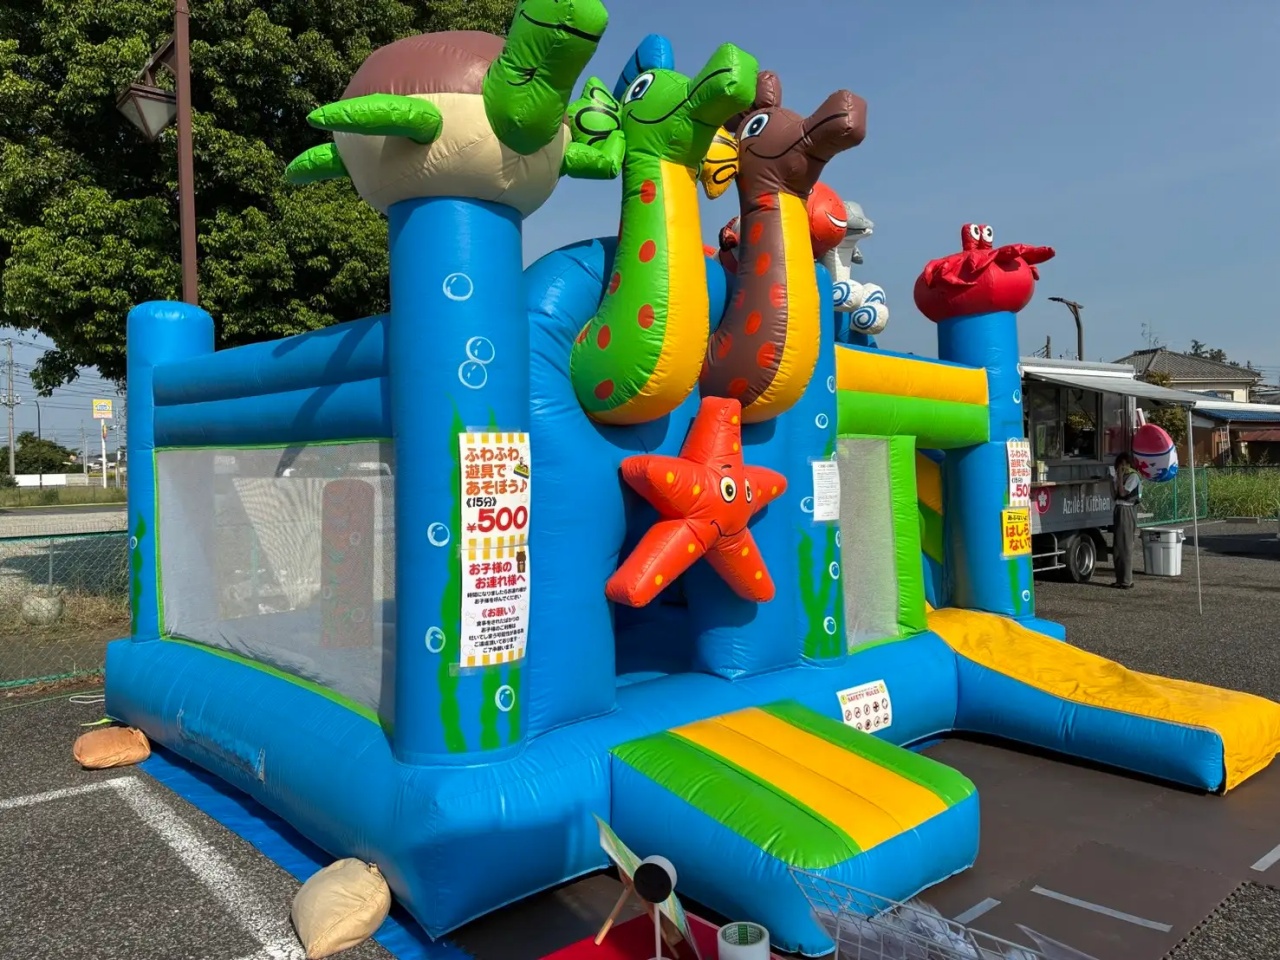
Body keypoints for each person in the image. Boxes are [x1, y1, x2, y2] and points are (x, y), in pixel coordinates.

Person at [1110, 452, 1142, 588]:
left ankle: (1127, 580)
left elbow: (1123, 493)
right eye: (1120, 464)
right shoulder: (1118, 477)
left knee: (1125, 545)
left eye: (1126, 464)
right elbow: (1114, 496)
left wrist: (1120, 478)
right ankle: (1120, 579)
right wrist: (1113, 481)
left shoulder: (1133, 476)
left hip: (1127, 509)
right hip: (1118, 508)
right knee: (1117, 547)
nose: (1123, 467)